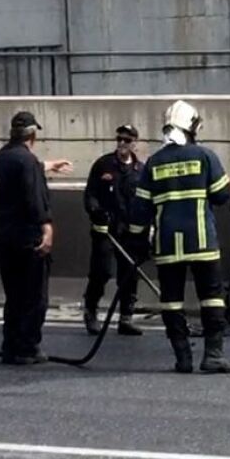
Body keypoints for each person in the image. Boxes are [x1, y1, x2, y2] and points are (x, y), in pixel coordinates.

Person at [128, 100, 230, 374]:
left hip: (167, 245)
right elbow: (220, 195)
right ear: (191, 127)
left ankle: (183, 358)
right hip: (201, 241)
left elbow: (140, 211)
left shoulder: (153, 163)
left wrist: (136, 242)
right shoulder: (205, 156)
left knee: (171, 300)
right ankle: (213, 356)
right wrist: (229, 187)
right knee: (212, 297)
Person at [0, 111, 72, 365]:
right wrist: (46, 227)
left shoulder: (3, 156)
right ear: (33, 135)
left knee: (14, 296)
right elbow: (34, 198)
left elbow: (27, 168)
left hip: (7, 238)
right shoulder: (27, 161)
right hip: (29, 239)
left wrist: (49, 165)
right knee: (35, 296)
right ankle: (28, 346)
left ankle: (11, 345)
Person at [81, 124, 145, 336]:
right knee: (101, 272)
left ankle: (126, 317)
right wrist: (95, 211)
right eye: (119, 139)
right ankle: (90, 310)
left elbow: (145, 201)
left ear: (135, 143)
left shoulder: (141, 170)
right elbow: (90, 193)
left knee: (129, 274)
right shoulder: (103, 165)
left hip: (129, 232)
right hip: (105, 230)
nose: (121, 144)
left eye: (126, 140)